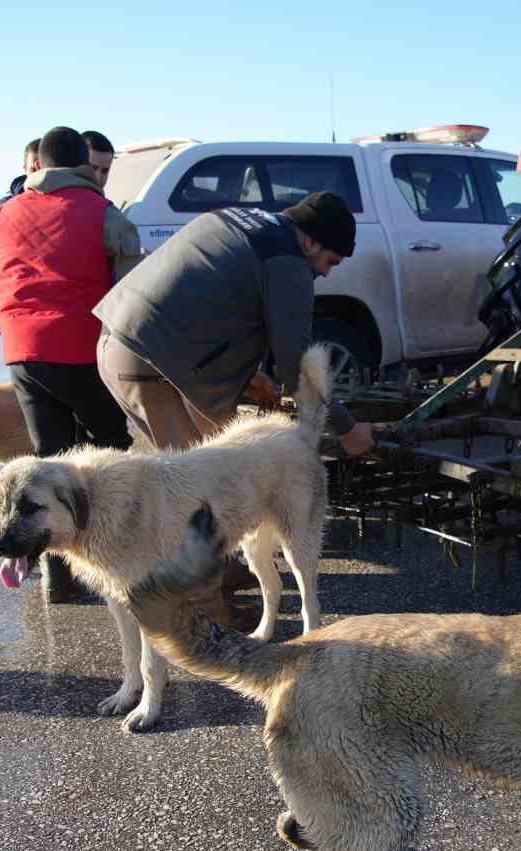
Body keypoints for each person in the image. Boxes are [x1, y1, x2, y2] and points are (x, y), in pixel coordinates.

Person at [93, 190, 375, 628]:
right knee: (196, 497)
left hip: (121, 343)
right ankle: (211, 624)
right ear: (314, 242)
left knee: (210, 470)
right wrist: (347, 427)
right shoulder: (289, 261)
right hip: (150, 364)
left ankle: (221, 583)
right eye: (331, 262)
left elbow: (208, 307)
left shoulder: (240, 220)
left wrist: (248, 377)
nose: (324, 273)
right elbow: (296, 362)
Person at [0, 125, 139, 602]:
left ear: (39, 163)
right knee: (110, 451)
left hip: (21, 349)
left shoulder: (4, 213)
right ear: (82, 165)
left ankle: (59, 580)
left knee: (49, 456)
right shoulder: (102, 213)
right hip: (81, 346)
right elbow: (128, 294)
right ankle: (111, 560)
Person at [0, 137, 42, 319]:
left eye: (42, 170)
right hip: (16, 306)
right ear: (24, 170)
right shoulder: (5, 208)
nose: (37, 175)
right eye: (33, 169)